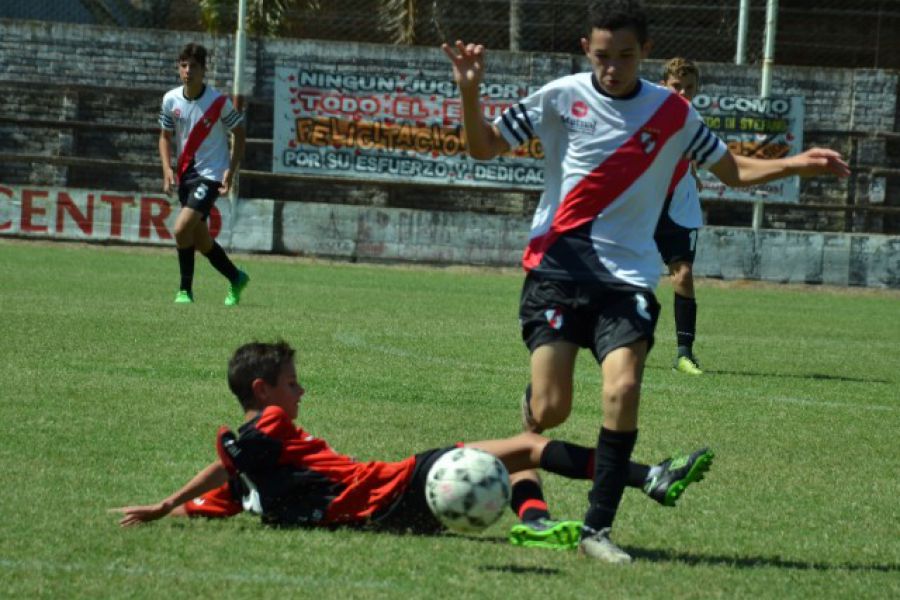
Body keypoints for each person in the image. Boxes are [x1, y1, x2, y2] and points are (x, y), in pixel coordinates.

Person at [442, 0, 848, 563]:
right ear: (587, 50)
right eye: (603, 56)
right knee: (552, 409)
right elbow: (482, 146)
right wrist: (469, 90)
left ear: (646, 53)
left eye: (626, 56)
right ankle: (536, 410)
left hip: (628, 276)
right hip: (556, 270)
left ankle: (596, 529)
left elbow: (732, 169)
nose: (613, 68)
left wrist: (798, 163)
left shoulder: (673, 112)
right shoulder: (562, 97)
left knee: (623, 388)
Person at [113, 341, 712, 538]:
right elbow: (229, 464)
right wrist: (172, 501)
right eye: (293, 384)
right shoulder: (267, 426)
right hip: (392, 489)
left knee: (522, 442)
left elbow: (223, 483)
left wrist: (173, 506)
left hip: (390, 502)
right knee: (527, 446)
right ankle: (648, 477)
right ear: (264, 390)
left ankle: (533, 525)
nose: (302, 393)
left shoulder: (253, 457)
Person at [158, 42, 249, 306]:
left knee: (180, 228)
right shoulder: (170, 100)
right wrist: (166, 169)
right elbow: (164, 137)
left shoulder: (218, 103)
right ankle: (236, 277)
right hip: (186, 176)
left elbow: (240, 133)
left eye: (194, 66)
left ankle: (185, 290)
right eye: (184, 65)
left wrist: (230, 172)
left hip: (210, 175)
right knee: (201, 240)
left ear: (203, 70)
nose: (188, 71)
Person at [655, 57, 704, 374]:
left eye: (690, 88)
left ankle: (684, 353)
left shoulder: (694, 119)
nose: (683, 93)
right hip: (643, 206)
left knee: (683, 276)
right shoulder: (646, 112)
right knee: (632, 279)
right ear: (664, 85)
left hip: (679, 206)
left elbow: (699, 149)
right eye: (677, 86)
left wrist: (693, 171)